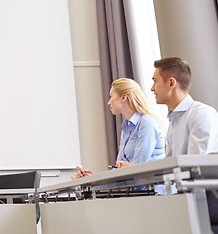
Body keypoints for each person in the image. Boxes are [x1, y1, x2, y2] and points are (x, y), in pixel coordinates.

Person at [149, 57, 218, 231]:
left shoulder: (201, 114)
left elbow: (195, 167)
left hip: (207, 202)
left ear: (171, 83)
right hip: (187, 198)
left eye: (155, 81)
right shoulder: (175, 120)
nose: (151, 88)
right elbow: (169, 165)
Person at [73, 78, 165, 184]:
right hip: (136, 193)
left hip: (154, 194)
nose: (108, 102)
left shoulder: (147, 122)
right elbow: (120, 172)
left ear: (124, 97)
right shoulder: (126, 127)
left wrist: (123, 169)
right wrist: (91, 179)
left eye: (111, 96)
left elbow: (137, 169)